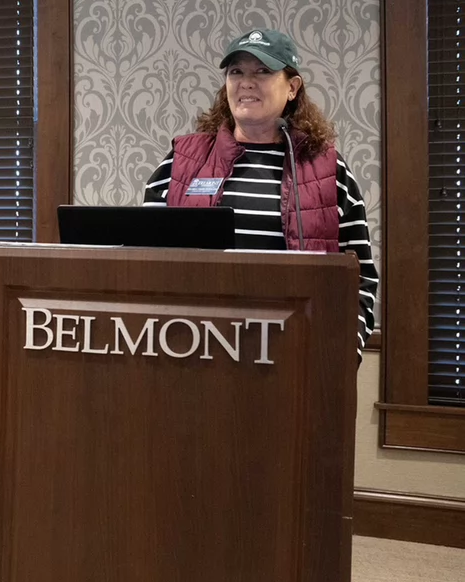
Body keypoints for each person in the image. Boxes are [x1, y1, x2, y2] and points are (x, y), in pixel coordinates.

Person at [143, 28, 378, 357]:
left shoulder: (328, 168)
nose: (246, 82)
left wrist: (341, 355)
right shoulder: (183, 161)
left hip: (296, 356)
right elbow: (143, 259)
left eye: (263, 71)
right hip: (195, 351)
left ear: (292, 87)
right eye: (236, 71)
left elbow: (361, 277)